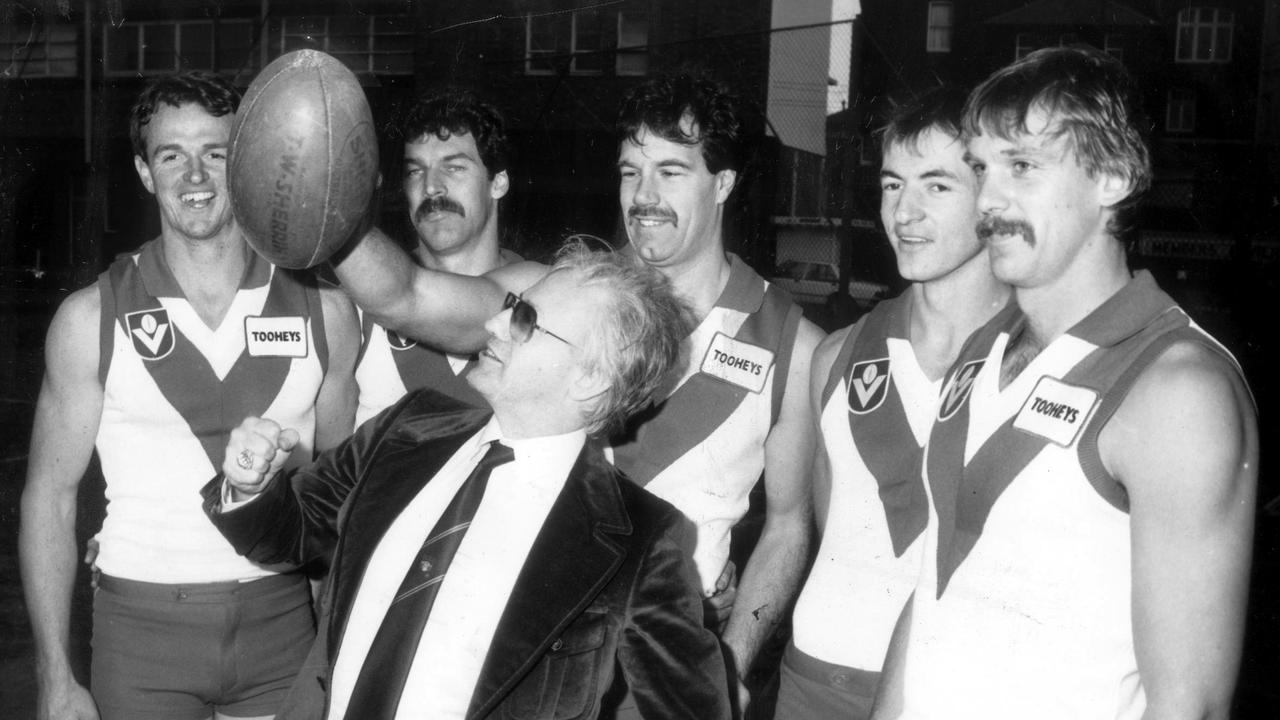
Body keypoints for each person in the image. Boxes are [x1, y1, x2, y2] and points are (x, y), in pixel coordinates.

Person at [327, 74, 823, 715]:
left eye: (670, 171)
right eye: (629, 172)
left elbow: (786, 527)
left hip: (665, 666)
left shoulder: (792, 342)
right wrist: (328, 208)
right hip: (536, 664)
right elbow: (407, 297)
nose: (644, 197)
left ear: (723, 183)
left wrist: (731, 655)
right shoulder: (554, 292)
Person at [872, 47, 1258, 719]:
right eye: (981, 169)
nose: (988, 200)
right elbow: (938, 582)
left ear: (1113, 176)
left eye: (1021, 166)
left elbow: (1188, 703)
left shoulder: (1175, 389)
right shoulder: (979, 353)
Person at [204, 244, 731, 720]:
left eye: (525, 319)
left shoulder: (641, 538)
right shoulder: (407, 429)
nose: (496, 325)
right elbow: (287, 534)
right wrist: (250, 487)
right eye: (510, 305)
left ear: (591, 377)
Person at [19, 71, 358, 720]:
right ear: (146, 173)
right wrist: (55, 678)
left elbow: (338, 497)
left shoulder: (327, 310)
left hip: (281, 628)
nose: (195, 176)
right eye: (172, 155)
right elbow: (49, 499)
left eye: (217, 153)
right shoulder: (91, 318)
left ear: (250, 165)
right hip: (142, 632)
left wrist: (336, 640)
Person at [775, 87, 1008, 720]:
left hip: (958, 690)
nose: (904, 212)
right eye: (891, 185)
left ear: (992, 197)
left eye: (936, 186)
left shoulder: (1036, 361)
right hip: (815, 677)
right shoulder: (840, 355)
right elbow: (831, 526)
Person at [354, 88, 523, 424]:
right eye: (415, 171)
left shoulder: (541, 290)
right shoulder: (353, 300)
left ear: (498, 183)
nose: (431, 187)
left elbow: (406, 293)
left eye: (455, 168)